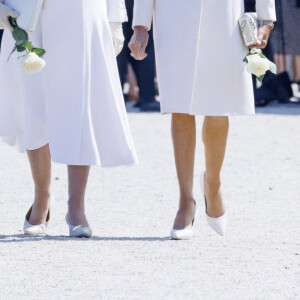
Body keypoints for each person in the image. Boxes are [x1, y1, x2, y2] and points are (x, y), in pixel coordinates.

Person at [129, 0, 276, 239]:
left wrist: (266, 19)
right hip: (174, 15)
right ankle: (185, 202)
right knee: (180, 106)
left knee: (220, 106)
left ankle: (213, 184)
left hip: (224, 16)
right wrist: (140, 25)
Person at [0, 0, 138, 238]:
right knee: (34, 105)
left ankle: (76, 207)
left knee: (79, 103)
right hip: (28, 11)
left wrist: (115, 18)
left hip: (81, 11)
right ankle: (41, 199)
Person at [117, 0, 160, 112]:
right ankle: (147, 97)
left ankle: (117, 98)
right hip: (137, 5)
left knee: (119, 50)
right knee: (143, 47)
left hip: (117, 6)